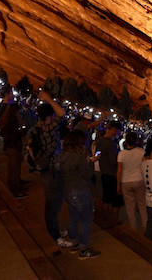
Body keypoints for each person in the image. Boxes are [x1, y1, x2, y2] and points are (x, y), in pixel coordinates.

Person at [33, 91, 72, 247]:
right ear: (49, 116)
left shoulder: (39, 126)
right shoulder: (48, 128)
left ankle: (55, 230)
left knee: (53, 202)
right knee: (53, 203)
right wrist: (48, 98)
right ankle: (56, 236)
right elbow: (62, 113)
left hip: (48, 169)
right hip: (51, 170)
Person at [59, 130, 101, 259]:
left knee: (74, 217)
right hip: (81, 191)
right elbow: (87, 174)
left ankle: (74, 242)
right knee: (86, 220)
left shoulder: (63, 155)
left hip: (68, 191)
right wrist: (92, 161)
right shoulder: (80, 156)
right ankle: (84, 249)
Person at [117, 132, 147, 230]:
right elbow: (145, 166)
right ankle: (145, 227)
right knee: (142, 205)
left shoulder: (121, 154)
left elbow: (119, 170)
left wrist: (118, 185)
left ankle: (133, 228)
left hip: (125, 181)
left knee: (130, 207)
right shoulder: (141, 151)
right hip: (139, 179)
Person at [96, 121, 124, 222]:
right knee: (116, 201)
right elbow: (113, 160)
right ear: (114, 129)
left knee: (106, 198)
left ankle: (104, 220)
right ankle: (112, 221)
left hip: (103, 172)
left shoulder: (99, 141)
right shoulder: (110, 143)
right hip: (112, 174)